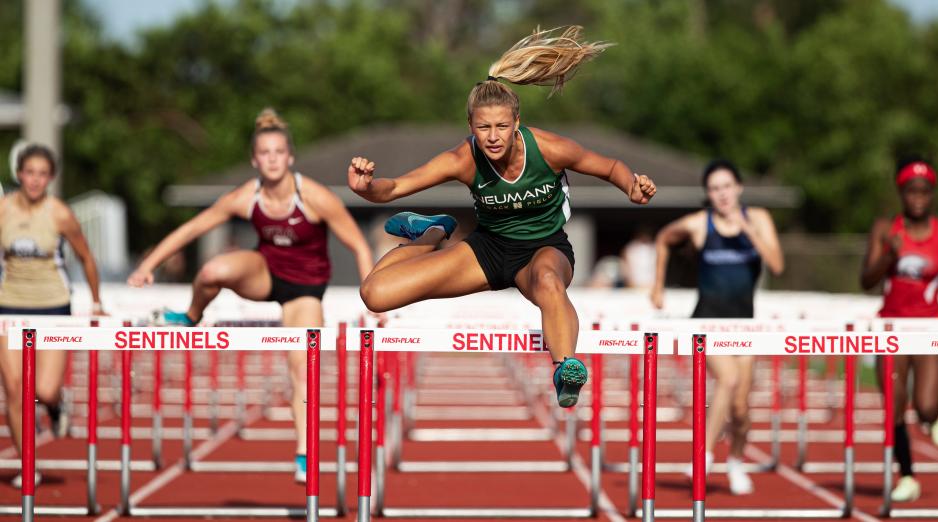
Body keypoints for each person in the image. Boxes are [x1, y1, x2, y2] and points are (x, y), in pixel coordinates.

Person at [347, 26, 657, 408]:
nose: (493, 137)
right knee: (374, 294)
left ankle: (565, 368)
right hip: (487, 251)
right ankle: (430, 234)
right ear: (470, 127)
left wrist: (632, 186)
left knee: (548, 283)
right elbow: (393, 188)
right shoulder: (462, 159)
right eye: (483, 128)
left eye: (501, 127)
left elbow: (609, 166)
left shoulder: (549, 148)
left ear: (516, 123)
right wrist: (365, 187)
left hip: (544, 248)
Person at [127, 109, 375, 483]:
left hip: (305, 290)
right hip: (265, 275)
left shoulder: (316, 198)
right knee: (212, 270)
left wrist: (375, 303)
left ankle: (305, 453)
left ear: (290, 157)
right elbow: (194, 227)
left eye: (279, 152)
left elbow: (359, 245)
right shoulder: (246, 196)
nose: (272, 159)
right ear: (254, 160)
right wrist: (150, 265)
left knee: (301, 369)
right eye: (265, 153)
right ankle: (191, 315)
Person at [650, 159, 783, 495]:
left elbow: (777, 265)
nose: (721, 194)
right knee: (728, 379)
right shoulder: (699, 224)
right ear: (708, 194)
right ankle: (704, 456)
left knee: (741, 410)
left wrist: (747, 229)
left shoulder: (759, 219)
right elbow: (664, 238)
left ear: (738, 188)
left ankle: (736, 461)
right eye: (714, 189)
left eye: (726, 187)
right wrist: (658, 285)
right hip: (707, 324)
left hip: (745, 328)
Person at [0, 144, 105, 487]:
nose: (34, 180)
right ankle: (28, 465)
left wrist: (96, 300)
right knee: (15, 389)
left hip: (53, 305)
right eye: (29, 172)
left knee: (43, 390)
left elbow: (87, 257)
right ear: (19, 174)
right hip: (9, 305)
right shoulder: (2, 211)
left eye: (42, 174)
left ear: (51, 178)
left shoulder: (59, 213)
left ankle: (56, 405)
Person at [860, 157, 938, 502]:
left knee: (927, 407)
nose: (917, 196)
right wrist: (889, 255)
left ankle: (933, 418)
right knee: (894, 405)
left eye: (924, 191)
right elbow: (866, 281)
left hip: (929, 327)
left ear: (931, 194)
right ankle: (908, 476)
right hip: (891, 326)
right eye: (911, 190)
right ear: (901, 193)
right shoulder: (885, 230)